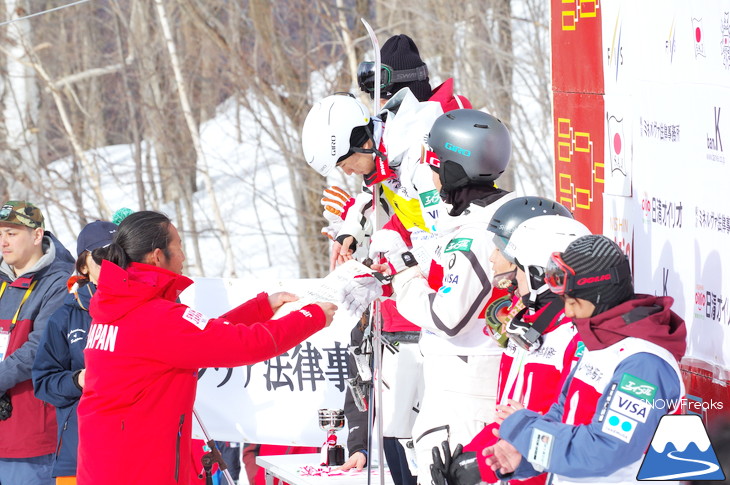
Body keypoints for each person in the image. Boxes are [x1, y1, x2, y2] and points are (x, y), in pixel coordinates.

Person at [75, 211, 337, 485]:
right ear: (156, 256)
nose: (184, 256)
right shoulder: (153, 316)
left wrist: (261, 308)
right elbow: (242, 345)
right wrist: (312, 316)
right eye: (178, 246)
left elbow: (197, 338)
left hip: (109, 463)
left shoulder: (123, 305)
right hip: (137, 468)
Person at [348, 108, 515, 483]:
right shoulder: (487, 218)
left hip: (464, 398)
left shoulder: (474, 233)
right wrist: (399, 276)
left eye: (436, 167)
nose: (433, 177)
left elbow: (447, 317)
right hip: (462, 386)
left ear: (456, 168)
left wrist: (404, 271)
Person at [485, 235, 687, 485]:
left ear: (599, 297)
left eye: (573, 302)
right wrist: (527, 455)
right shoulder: (601, 342)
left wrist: (526, 429)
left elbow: (605, 451)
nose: (568, 312)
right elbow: (562, 415)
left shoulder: (644, 364)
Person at [432, 210, 591, 485]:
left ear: (539, 272)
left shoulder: (573, 337)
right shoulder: (531, 328)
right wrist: (469, 459)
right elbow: (507, 417)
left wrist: (481, 465)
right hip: (515, 472)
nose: (495, 261)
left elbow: (559, 425)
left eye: (516, 267)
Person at [32, 220, 118, 484]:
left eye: (119, 256)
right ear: (83, 265)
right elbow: (43, 381)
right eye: (103, 257)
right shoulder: (65, 317)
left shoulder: (145, 311)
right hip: (78, 454)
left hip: (133, 451)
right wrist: (79, 379)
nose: (113, 264)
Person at [0, 200, 74, 485]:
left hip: (31, 434)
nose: (4, 242)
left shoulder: (60, 281)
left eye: (13, 233)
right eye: (1, 234)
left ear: (37, 235)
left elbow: (37, 349)